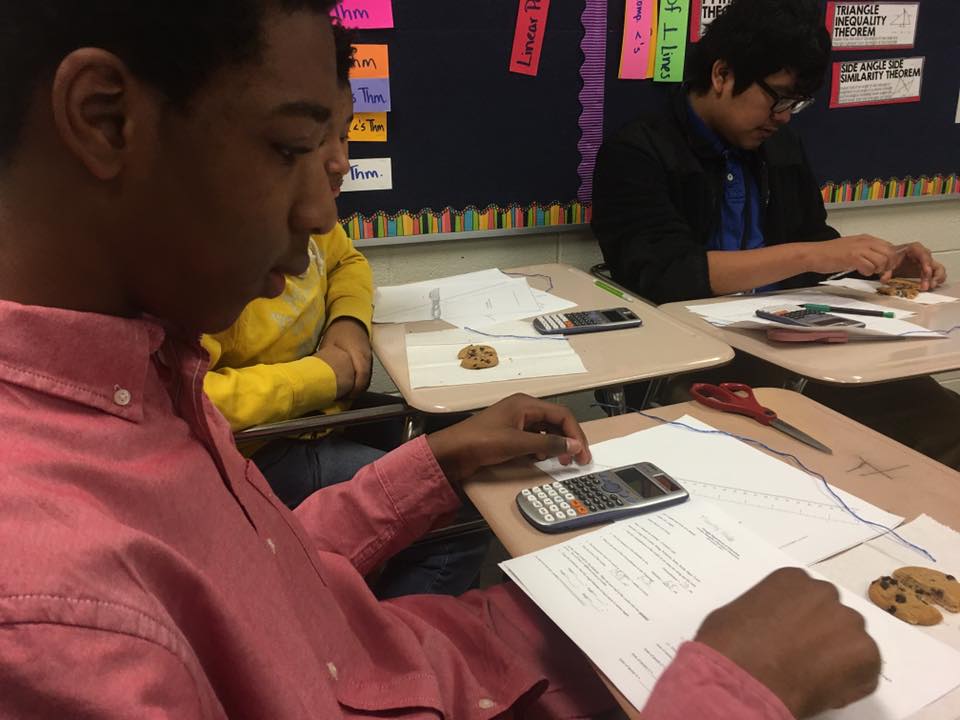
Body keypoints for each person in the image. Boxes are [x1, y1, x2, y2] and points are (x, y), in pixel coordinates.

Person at [0, 2, 881, 717]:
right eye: (288, 148)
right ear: (104, 118)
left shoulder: (144, 372)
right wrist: (737, 695)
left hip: (470, 653)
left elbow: (252, 591)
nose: (319, 213)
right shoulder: (55, 616)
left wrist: (432, 463)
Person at [591, 0, 960, 469]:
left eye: (797, 104)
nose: (784, 116)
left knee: (944, 426)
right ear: (723, 74)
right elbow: (669, 276)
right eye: (778, 97)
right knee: (816, 460)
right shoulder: (637, 152)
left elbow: (815, 242)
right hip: (698, 356)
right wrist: (813, 253)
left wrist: (879, 266)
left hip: (800, 339)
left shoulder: (778, 145)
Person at [202, 23, 489, 599]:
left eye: (345, 133)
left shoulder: (309, 217)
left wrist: (348, 329)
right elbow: (197, 401)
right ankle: (384, 642)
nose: (340, 163)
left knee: (465, 437)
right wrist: (326, 374)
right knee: (458, 505)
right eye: (307, 141)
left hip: (323, 412)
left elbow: (347, 262)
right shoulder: (215, 258)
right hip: (266, 446)